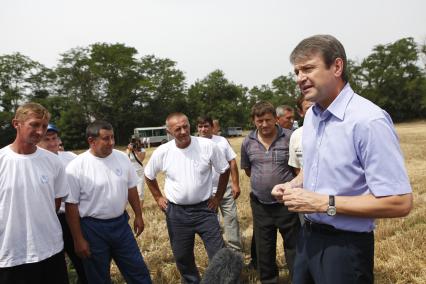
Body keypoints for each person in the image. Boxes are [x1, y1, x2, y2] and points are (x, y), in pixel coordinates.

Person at [272, 34, 413, 283]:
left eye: (308, 68)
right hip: (308, 238)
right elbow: (314, 167)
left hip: (345, 246)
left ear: (337, 66)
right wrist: (293, 185)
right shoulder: (313, 115)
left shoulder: (369, 121)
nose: (300, 78)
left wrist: (322, 203)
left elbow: (399, 202)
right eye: (296, 71)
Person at [144, 112, 230, 284]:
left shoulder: (207, 146)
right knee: (183, 257)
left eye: (186, 127)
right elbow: (148, 175)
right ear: (169, 131)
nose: (183, 132)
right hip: (177, 213)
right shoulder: (163, 151)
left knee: (218, 253)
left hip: (205, 210)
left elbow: (225, 169)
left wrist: (218, 197)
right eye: (178, 129)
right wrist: (158, 198)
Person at [65, 120, 152, 284]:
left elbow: (131, 188)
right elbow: (71, 206)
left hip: (121, 225)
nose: (111, 142)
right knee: (98, 277)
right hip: (92, 229)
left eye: (112, 137)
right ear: (91, 141)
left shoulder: (121, 158)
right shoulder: (76, 167)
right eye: (106, 139)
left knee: (137, 270)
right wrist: (78, 239)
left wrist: (138, 215)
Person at [0, 102, 69, 284]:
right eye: (34, 124)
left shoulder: (53, 162)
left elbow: (55, 202)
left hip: (50, 250)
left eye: (44, 126)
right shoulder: (2, 160)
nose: (40, 131)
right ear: (17, 124)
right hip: (11, 255)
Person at [240, 101, 301, 283]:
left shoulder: (290, 138)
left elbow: (298, 169)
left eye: (268, 120)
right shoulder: (247, 142)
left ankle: (297, 278)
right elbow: (249, 170)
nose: (264, 124)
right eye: (260, 121)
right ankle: (269, 280)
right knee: (264, 247)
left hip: (287, 203)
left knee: (294, 246)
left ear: (276, 118)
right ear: (253, 121)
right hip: (260, 205)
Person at [37, 123, 87, 284]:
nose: (52, 143)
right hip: (48, 219)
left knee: (82, 258)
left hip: (71, 217)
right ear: (38, 141)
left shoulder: (70, 157)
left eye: (54, 138)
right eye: (47, 139)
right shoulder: (35, 162)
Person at [197, 116, 242, 252]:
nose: (203, 129)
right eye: (200, 126)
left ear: (212, 127)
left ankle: (235, 252)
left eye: (206, 126)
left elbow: (232, 162)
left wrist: (235, 184)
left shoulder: (221, 141)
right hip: (206, 191)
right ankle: (218, 251)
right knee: (212, 223)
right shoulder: (194, 143)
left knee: (231, 218)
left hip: (225, 188)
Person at [288, 95, 314, 176]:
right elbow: (297, 168)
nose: (314, 110)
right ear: (300, 112)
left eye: (317, 106)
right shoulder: (296, 136)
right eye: (308, 108)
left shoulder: (335, 131)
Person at [126, 137, 146, 205]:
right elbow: (126, 160)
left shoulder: (142, 150)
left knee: (140, 192)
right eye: (133, 143)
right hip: (131, 174)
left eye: (136, 143)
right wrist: (129, 150)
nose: (134, 145)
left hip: (140, 173)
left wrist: (135, 151)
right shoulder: (128, 150)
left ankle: (140, 209)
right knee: (132, 192)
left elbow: (141, 159)